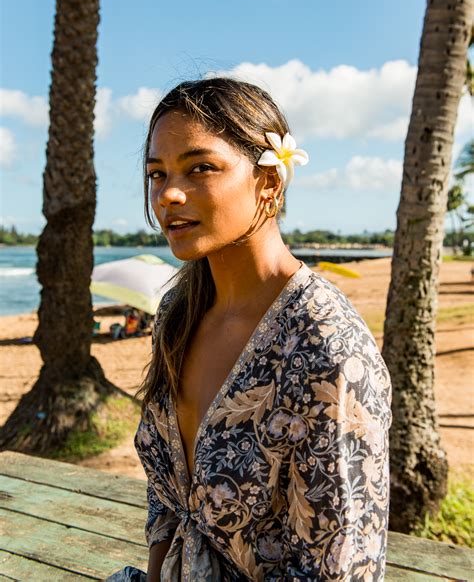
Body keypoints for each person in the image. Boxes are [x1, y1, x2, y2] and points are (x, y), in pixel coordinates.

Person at [107, 78, 392, 581]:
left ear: (269, 182)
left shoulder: (325, 347)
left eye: (200, 168)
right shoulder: (179, 310)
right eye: (157, 173)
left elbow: (341, 566)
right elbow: (167, 500)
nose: (168, 193)